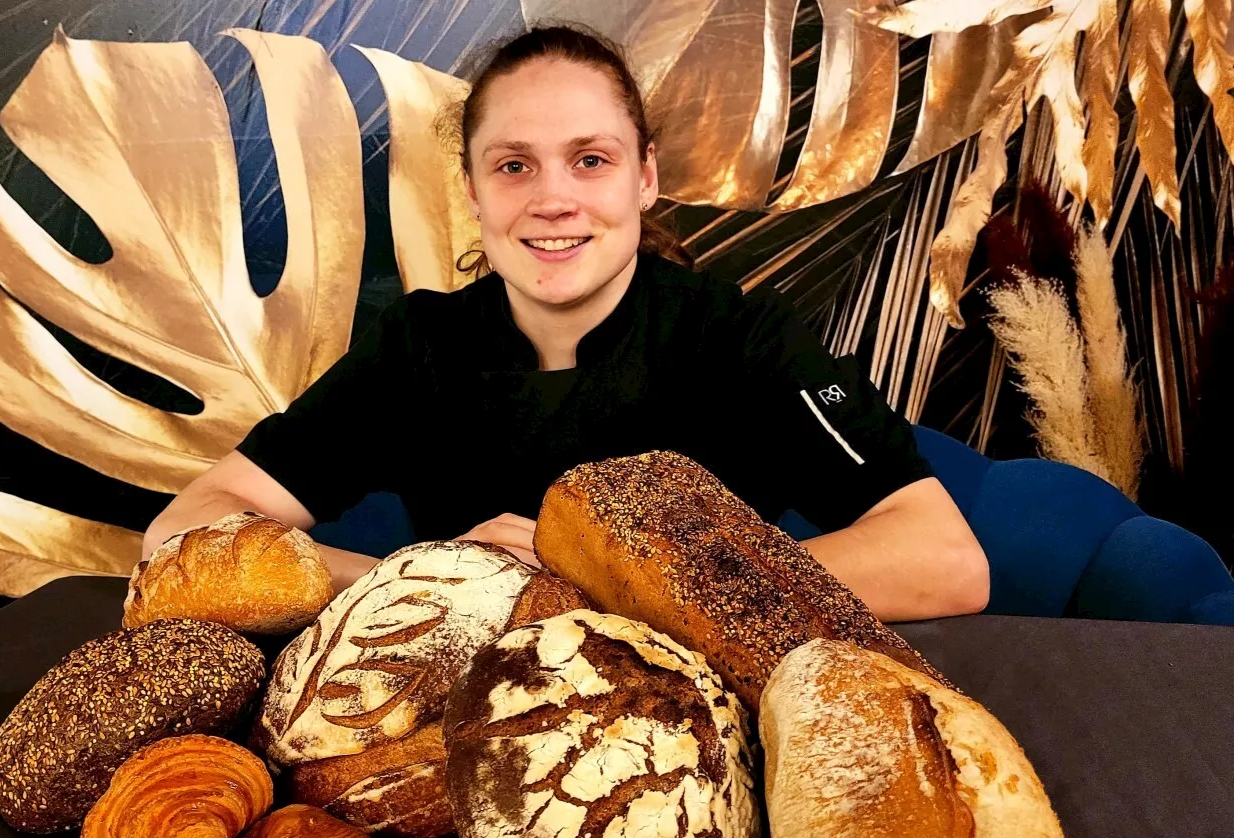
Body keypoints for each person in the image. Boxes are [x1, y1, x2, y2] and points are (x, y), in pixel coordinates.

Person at [142, 25, 989, 623]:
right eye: (514, 166)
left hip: (700, 725)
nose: (553, 199)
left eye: (591, 160)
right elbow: (181, 530)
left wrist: (620, 583)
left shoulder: (743, 340)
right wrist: (435, 581)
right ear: (472, 193)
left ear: (644, 179)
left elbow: (943, 560)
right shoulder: (419, 346)